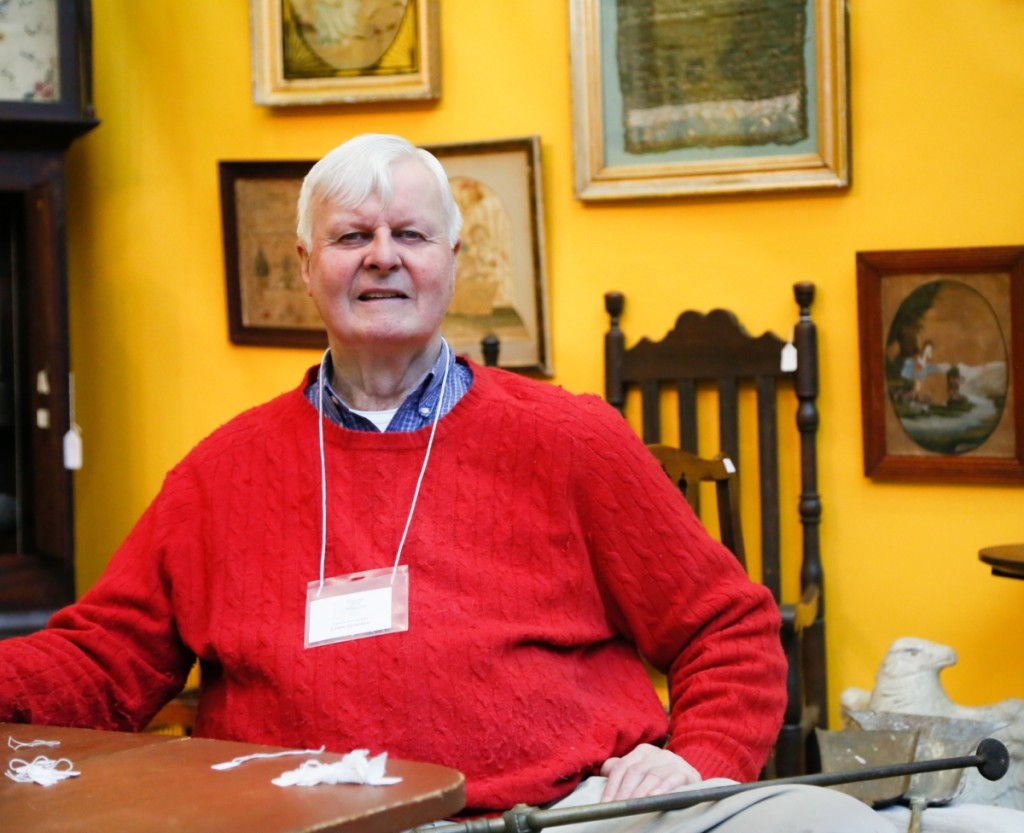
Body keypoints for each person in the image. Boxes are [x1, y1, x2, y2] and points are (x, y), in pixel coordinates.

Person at [0, 134, 892, 832]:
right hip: (310, 821)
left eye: (409, 235)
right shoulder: (219, 473)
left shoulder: (572, 437)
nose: (382, 257)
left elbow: (726, 626)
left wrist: (694, 757)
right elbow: (102, 659)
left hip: (569, 812)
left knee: (831, 822)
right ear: (307, 265)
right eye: (353, 236)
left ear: (452, 261)